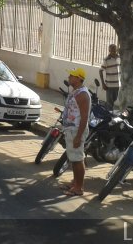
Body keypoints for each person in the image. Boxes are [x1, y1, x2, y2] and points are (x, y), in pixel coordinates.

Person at [59, 67, 91, 197]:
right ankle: (75, 183)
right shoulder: (76, 92)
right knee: (73, 158)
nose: (69, 78)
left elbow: (84, 118)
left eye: (72, 76)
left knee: (78, 159)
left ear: (78, 78)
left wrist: (78, 136)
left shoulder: (83, 94)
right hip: (71, 129)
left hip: (76, 130)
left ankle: (79, 188)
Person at [99, 44, 121, 109]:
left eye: (115, 50)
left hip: (117, 84)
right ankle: (108, 116)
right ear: (109, 50)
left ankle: (106, 109)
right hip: (109, 85)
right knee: (110, 103)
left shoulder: (119, 58)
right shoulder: (106, 60)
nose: (114, 52)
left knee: (114, 99)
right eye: (112, 50)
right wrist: (103, 84)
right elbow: (100, 71)